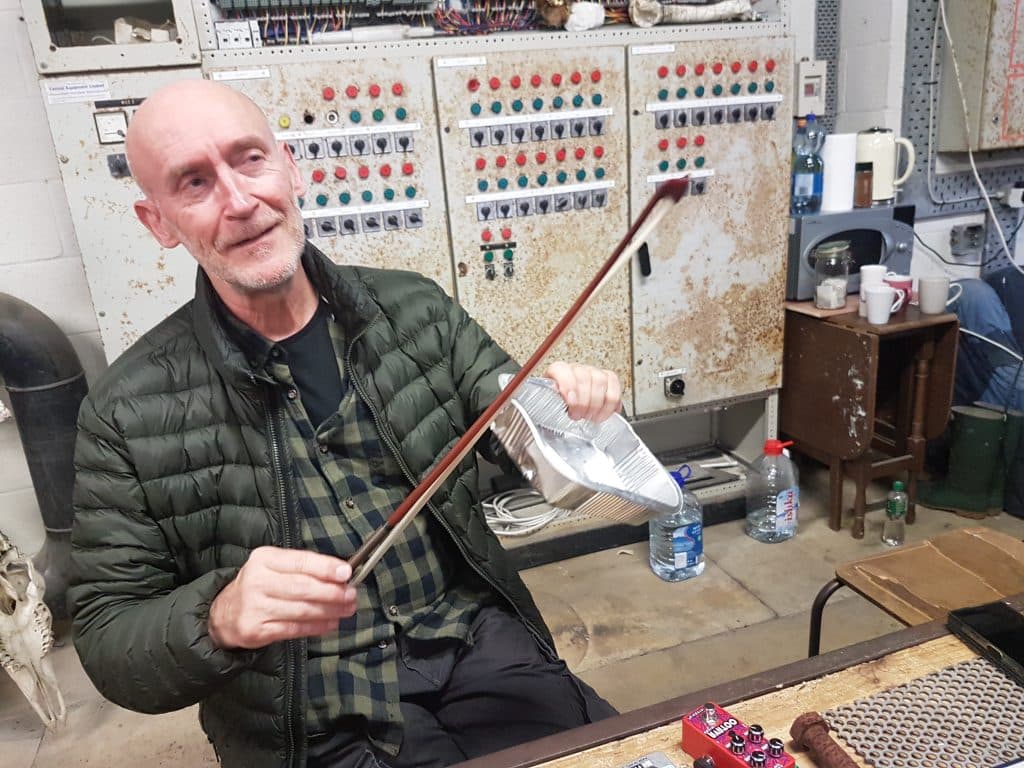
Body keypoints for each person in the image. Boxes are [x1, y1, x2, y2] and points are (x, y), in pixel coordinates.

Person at [68, 79, 620, 768]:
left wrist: (563, 408)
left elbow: (511, 426)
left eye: (250, 160)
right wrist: (219, 617)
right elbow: (106, 634)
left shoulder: (414, 309)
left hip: (475, 643)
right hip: (308, 706)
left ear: (290, 166)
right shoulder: (124, 412)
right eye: (194, 183)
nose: (240, 201)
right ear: (159, 222)